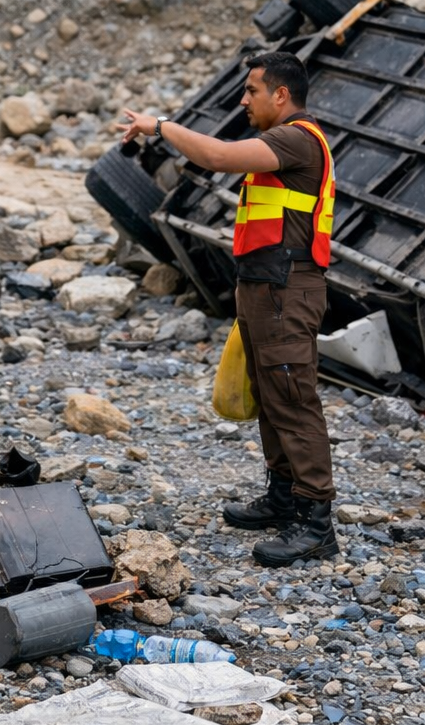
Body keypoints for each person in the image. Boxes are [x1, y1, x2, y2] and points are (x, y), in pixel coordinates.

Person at [119, 51, 338, 566]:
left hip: (288, 290)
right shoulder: (286, 142)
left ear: (281, 95)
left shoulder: (296, 138)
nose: (244, 100)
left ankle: (315, 523)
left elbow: (216, 156)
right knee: (270, 393)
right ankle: (284, 498)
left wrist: (161, 126)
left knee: (293, 398)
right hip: (267, 289)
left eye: (252, 91)